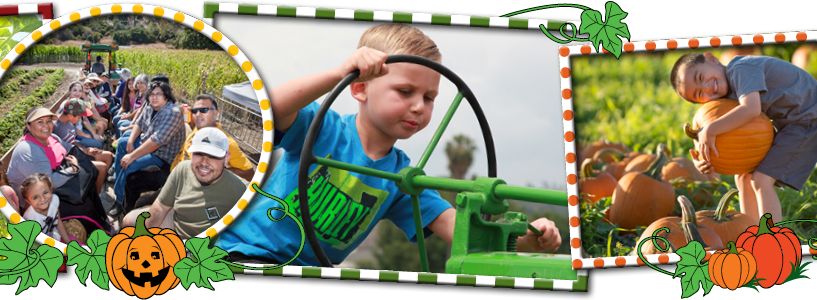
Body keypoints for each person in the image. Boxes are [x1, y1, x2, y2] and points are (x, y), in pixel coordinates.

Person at [214, 24, 561, 266]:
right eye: (405, 91)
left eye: (429, 97)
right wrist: (339, 73)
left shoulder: (401, 177)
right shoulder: (321, 129)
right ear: (361, 88)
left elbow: (458, 230)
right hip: (243, 255)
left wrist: (525, 239)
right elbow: (267, 108)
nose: (418, 106)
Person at [670, 52, 817, 220]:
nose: (706, 88)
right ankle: (749, 232)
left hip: (809, 115)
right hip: (790, 122)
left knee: (761, 180)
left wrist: (711, 129)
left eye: (701, 77)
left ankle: (773, 240)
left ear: (711, 59)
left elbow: (751, 109)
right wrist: (702, 156)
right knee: (743, 176)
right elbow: (709, 122)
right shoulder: (724, 93)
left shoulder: (741, 70)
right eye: (699, 94)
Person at [122, 128, 249, 238]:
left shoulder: (242, 191)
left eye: (213, 156)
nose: (204, 162)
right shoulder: (183, 169)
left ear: (226, 159)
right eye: (199, 154)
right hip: (176, 222)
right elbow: (160, 207)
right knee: (128, 220)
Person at [113, 80, 188, 210]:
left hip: (161, 156)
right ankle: (117, 179)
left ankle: (120, 202)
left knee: (130, 163)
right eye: (152, 94)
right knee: (122, 143)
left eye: (159, 94)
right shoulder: (150, 106)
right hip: (147, 144)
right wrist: (131, 141)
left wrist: (132, 156)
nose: (154, 97)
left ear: (167, 96)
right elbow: (139, 124)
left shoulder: (172, 112)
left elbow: (156, 141)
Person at [171, 94, 256, 181]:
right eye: (194, 111)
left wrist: (214, 174)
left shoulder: (225, 140)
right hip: (175, 178)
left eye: (204, 110)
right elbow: (194, 131)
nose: (198, 114)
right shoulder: (200, 127)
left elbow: (249, 173)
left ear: (215, 113)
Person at [5, 106, 78, 196]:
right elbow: (49, 182)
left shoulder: (51, 137)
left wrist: (86, 150)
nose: (46, 125)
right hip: (39, 199)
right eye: (40, 122)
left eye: (49, 121)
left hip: (61, 178)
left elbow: (67, 146)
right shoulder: (29, 150)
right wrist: (73, 169)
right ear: (29, 126)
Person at [54, 99, 115, 194]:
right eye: (79, 117)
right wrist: (85, 151)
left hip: (79, 152)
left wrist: (86, 149)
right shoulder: (57, 129)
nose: (80, 119)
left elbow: (73, 141)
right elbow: (64, 150)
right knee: (102, 167)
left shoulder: (70, 122)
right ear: (70, 115)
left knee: (108, 156)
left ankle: (97, 186)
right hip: (71, 159)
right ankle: (96, 195)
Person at [19, 173, 69, 242]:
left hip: (55, 237)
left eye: (45, 193)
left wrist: (68, 242)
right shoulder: (29, 219)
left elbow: (58, 222)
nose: (42, 199)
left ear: (51, 189)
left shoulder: (54, 200)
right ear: (28, 201)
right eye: (35, 197)